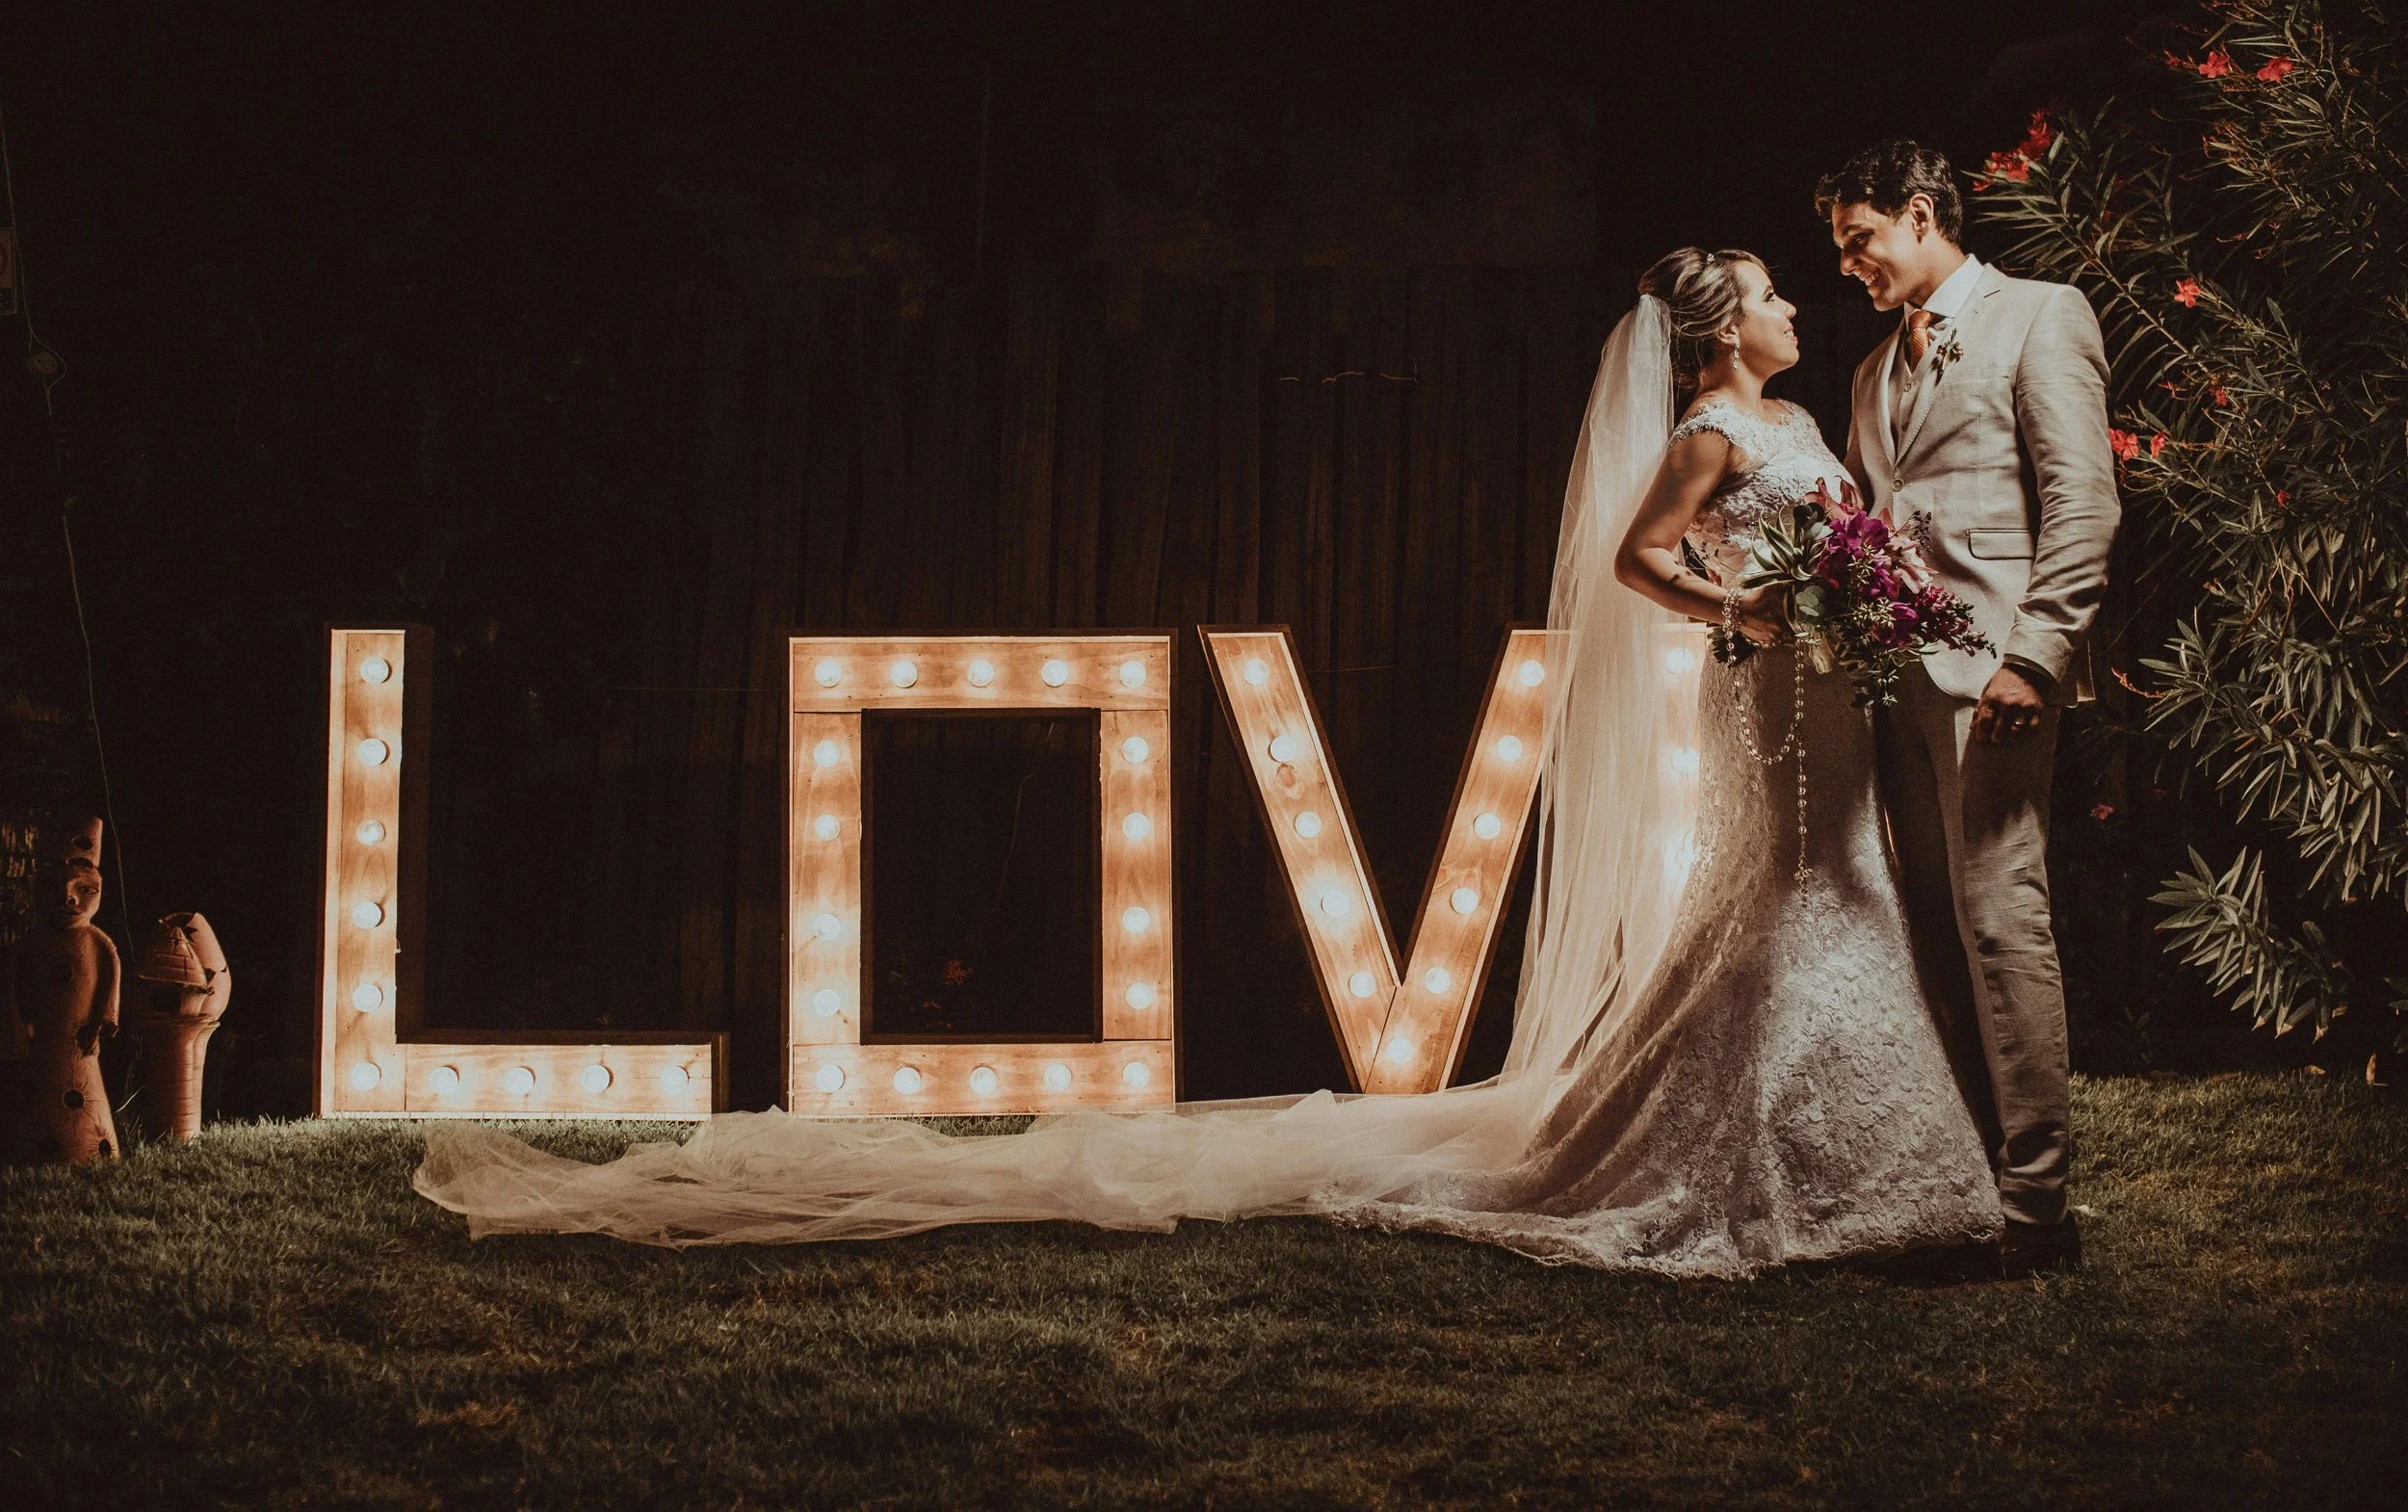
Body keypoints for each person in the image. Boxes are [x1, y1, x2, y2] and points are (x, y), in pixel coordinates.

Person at [413, 247, 2002, 1277]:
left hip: (1826, 700)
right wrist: (1752, 606)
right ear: (1726, 333)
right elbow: (1643, 563)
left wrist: (1854, 604)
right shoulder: (1716, 435)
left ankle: (1822, 1146)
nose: (1800, 303)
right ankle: (1785, 1160)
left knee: (1815, 889)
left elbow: (1842, 555)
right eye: (1775, 291)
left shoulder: (1809, 427)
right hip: (1770, 699)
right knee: (1789, 896)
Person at [1819, 141, 2120, 1275]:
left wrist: (2035, 655)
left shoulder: (2041, 315)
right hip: (1893, 683)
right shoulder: (1865, 372)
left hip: (1997, 676)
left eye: (1861, 239)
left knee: (2001, 912)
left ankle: (2039, 1207)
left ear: (1922, 210)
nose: (1850, 264)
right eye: (1840, 249)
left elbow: (2084, 503)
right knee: (1931, 923)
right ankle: (1967, 1173)